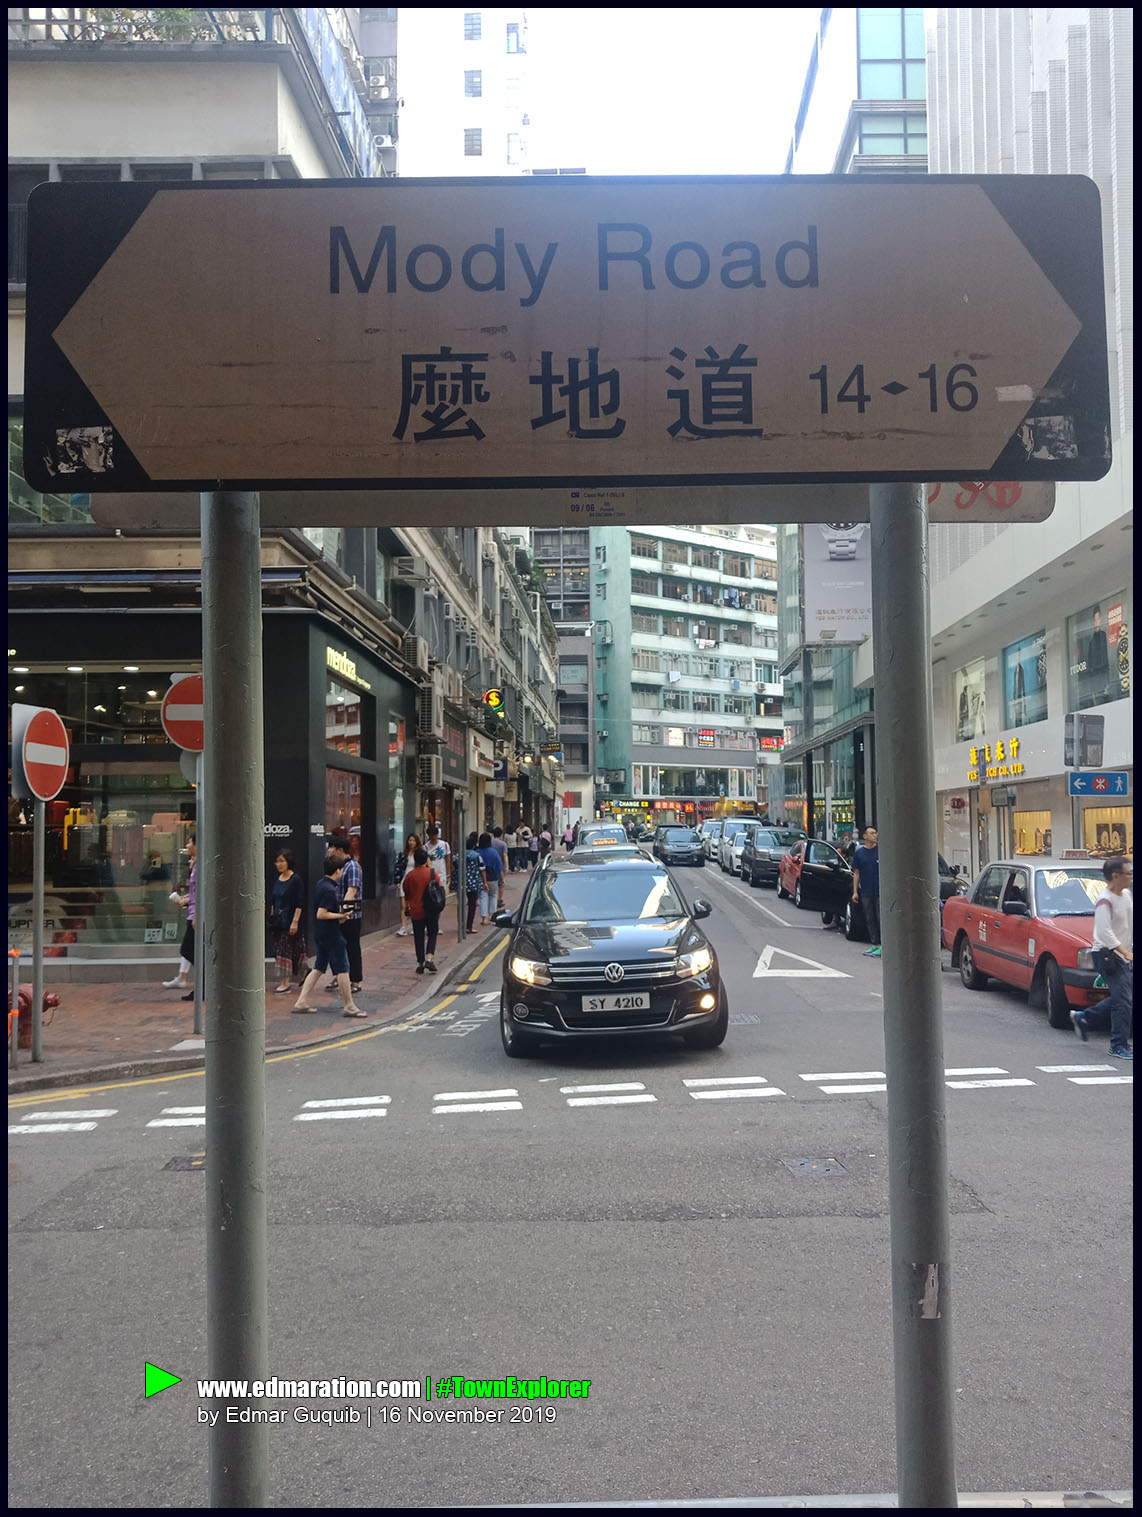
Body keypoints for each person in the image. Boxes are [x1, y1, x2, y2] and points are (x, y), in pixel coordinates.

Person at [292, 852, 365, 1016]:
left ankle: (301, 1001)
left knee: (318, 967)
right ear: (337, 870)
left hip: (320, 932)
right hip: (331, 934)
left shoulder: (320, 884)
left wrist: (339, 915)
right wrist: (341, 915)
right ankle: (349, 1005)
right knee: (343, 968)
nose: (342, 873)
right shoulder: (330, 890)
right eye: (341, 870)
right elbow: (322, 913)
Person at [1073, 857, 1133, 1058]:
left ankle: (1084, 1018)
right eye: (1128, 873)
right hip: (1108, 955)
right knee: (1123, 1001)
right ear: (1116, 876)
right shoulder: (1104, 901)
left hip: (1124, 954)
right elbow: (1104, 932)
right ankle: (1118, 1045)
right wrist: (1125, 952)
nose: (1131, 877)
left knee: (1123, 997)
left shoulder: (1126, 895)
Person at [323, 836, 363, 996]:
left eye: (331, 847)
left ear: (339, 850)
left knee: (352, 947)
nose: (329, 850)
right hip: (335, 914)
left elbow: (351, 891)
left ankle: (355, 981)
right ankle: (339, 976)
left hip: (350, 916)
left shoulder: (353, 867)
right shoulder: (335, 866)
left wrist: (344, 913)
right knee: (336, 947)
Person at [270, 848, 308, 993]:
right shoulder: (277, 878)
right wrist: (272, 917)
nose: (278, 864)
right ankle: (304, 972)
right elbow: (274, 900)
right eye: (277, 861)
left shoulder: (295, 880)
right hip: (278, 922)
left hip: (290, 920)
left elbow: (299, 902)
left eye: (282, 861)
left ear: (288, 862)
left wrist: (295, 921)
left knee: (286, 950)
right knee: (294, 950)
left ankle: (285, 983)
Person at [163, 837, 197, 997]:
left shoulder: (201, 867)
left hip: (196, 915)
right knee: (191, 950)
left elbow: (203, 892)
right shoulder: (196, 866)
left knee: (188, 950)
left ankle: (208, 980)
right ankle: (192, 982)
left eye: (190, 842)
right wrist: (185, 899)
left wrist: (197, 915)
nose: (187, 845)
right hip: (193, 913)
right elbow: (196, 892)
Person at [402, 846, 441, 973]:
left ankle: (420, 962)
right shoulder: (432, 873)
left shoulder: (410, 875)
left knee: (418, 936)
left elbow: (406, 891)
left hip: (416, 910)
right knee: (432, 933)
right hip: (431, 909)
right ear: (426, 859)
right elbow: (439, 889)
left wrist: (407, 905)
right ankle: (429, 958)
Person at [852, 825, 881, 957]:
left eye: (875, 833)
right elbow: (856, 873)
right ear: (865, 836)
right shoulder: (859, 853)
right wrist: (855, 891)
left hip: (879, 891)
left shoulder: (880, 851)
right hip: (866, 891)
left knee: (880, 918)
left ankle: (883, 945)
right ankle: (875, 944)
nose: (875, 835)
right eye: (872, 833)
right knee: (870, 918)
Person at [394, 832, 421, 935]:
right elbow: (397, 867)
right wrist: (397, 881)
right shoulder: (403, 854)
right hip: (404, 880)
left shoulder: (419, 854)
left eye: (413, 840)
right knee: (403, 905)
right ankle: (403, 927)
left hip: (415, 881)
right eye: (410, 840)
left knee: (414, 905)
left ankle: (415, 926)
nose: (411, 842)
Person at [463, 832, 487, 933]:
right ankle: (469, 926)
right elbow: (482, 869)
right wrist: (484, 882)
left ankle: (461, 925)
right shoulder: (477, 856)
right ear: (473, 846)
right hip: (473, 882)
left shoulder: (458, 855)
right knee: (472, 905)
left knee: (461, 905)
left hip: (461, 882)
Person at [477, 831, 503, 924]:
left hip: (480, 877)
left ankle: (484, 918)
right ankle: (491, 915)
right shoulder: (493, 852)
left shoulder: (477, 852)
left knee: (483, 896)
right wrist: (502, 879)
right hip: (492, 876)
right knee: (493, 895)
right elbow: (499, 866)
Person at [426, 826, 451, 892]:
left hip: (442, 874)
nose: (433, 837)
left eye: (435, 835)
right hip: (430, 874)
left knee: (441, 892)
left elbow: (448, 860)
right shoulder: (426, 847)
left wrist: (448, 874)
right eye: (431, 835)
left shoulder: (445, 845)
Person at [491, 827, 509, 905]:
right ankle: (499, 899)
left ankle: (491, 898)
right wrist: (506, 865)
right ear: (501, 834)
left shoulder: (490, 842)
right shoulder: (503, 844)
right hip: (500, 866)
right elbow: (505, 855)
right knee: (501, 883)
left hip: (490, 865)